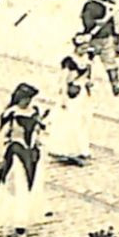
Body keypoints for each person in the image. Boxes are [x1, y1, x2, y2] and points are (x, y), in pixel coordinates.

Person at [0, 83, 48, 237]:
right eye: (25, 98)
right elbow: (2, 135)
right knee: (18, 187)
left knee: (30, 186)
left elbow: (38, 131)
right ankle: (18, 223)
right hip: (16, 154)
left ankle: (25, 218)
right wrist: (1, 154)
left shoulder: (34, 111)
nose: (27, 102)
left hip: (31, 154)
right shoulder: (10, 114)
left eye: (30, 98)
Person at [49, 33, 94, 165]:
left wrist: (89, 82)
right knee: (70, 121)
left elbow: (88, 76)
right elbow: (63, 80)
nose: (84, 51)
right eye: (82, 48)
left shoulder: (87, 59)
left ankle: (82, 149)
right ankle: (67, 150)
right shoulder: (69, 61)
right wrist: (63, 98)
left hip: (83, 93)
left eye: (86, 48)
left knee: (83, 120)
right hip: (71, 94)